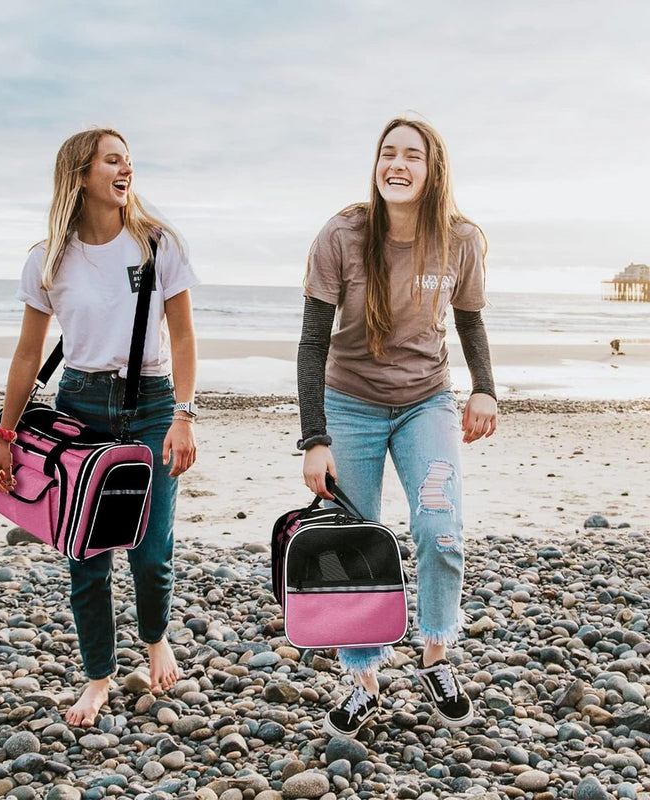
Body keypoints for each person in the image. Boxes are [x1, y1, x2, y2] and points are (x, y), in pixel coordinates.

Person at [0, 127, 198, 727]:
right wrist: (7, 436)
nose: (125, 167)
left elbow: (182, 337)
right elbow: (29, 356)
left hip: (153, 404)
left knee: (152, 551)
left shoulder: (159, 245)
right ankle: (98, 677)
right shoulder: (48, 258)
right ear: (81, 174)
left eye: (129, 159)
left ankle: (155, 636)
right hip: (79, 406)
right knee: (88, 555)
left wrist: (184, 416)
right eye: (112, 159)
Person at [297, 117, 497, 739]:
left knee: (440, 531)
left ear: (432, 169)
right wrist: (315, 438)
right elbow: (311, 342)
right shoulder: (343, 234)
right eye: (388, 153)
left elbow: (469, 322)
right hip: (349, 402)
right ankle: (363, 678)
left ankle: (435, 655)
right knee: (355, 546)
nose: (398, 165)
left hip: (426, 402)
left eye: (412, 155)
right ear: (377, 163)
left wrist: (485, 388)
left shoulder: (461, 240)